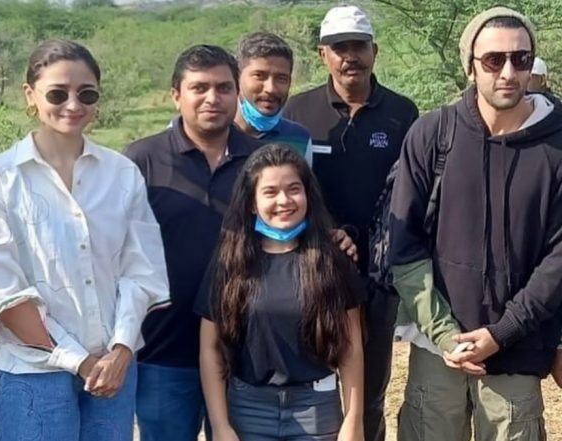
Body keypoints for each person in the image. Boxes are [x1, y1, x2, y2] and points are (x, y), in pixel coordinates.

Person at [0, 39, 169, 441]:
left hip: (113, 371)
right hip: (35, 373)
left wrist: (121, 350)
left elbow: (141, 270)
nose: (73, 104)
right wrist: (79, 361)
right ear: (30, 94)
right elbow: (2, 289)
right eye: (58, 93)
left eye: (87, 93)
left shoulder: (122, 173)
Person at [390, 7, 562, 440]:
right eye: (493, 60)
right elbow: (404, 244)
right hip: (437, 350)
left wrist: (503, 333)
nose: (508, 72)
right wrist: (448, 336)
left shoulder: (556, 147)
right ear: (470, 66)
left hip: (517, 352)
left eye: (520, 59)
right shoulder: (433, 133)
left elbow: (559, 259)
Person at [283, 6, 418, 441]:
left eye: (358, 46)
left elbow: (412, 191)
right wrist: (324, 234)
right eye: (339, 48)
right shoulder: (298, 112)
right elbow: (282, 187)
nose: (349, 57)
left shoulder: (402, 113)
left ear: (374, 51)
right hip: (313, 269)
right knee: (315, 385)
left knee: (370, 391)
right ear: (323, 54)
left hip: (378, 277)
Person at [124, 44, 263, 441]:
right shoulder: (141, 160)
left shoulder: (264, 161)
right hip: (161, 353)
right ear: (176, 95)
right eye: (199, 88)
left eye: (223, 88)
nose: (212, 99)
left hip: (245, 353)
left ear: (237, 94)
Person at [196, 143, 364, 441]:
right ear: (252, 202)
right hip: (248, 408)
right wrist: (221, 425)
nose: (284, 200)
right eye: (270, 192)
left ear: (307, 195)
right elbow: (210, 348)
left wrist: (353, 421)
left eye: (293, 189)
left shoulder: (333, 259)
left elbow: (351, 347)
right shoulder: (230, 262)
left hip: (317, 407)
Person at [233, 32, 313, 163]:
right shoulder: (216, 135)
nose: (271, 89)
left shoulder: (300, 138)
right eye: (259, 76)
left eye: (281, 79)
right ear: (236, 77)